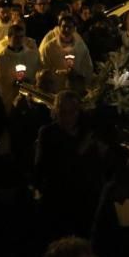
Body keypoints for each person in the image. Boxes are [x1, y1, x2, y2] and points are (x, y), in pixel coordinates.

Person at [35, 91, 104, 242]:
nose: (67, 117)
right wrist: (78, 152)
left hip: (83, 204)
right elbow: (44, 169)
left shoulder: (87, 133)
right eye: (63, 112)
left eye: (72, 112)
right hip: (57, 202)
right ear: (56, 111)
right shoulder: (48, 133)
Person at [40, 15, 95, 92]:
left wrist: (76, 74)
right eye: (64, 26)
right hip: (56, 90)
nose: (67, 29)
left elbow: (87, 68)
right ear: (59, 27)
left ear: (74, 29)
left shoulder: (80, 47)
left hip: (75, 91)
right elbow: (44, 68)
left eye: (70, 27)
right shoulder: (49, 47)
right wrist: (59, 73)